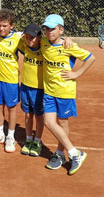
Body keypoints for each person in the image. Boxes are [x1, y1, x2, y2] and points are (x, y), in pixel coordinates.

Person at [41, 14, 95, 175]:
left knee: (62, 123)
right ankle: (74, 153)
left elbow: (90, 58)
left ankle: (60, 153)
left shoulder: (68, 46)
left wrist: (77, 73)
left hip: (65, 91)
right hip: (49, 91)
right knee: (49, 122)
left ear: (61, 30)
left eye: (53, 28)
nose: (49, 31)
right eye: (47, 28)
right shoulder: (43, 42)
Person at [0, 8, 21, 153]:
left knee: (11, 108)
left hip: (11, 80)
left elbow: (37, 41)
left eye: (5, 26)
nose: (1, 28)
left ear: (12, 26)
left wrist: (65, 39)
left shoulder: (18, 39)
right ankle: (0, 134)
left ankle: (10, 136)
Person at [17, 23, 44, 157]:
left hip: (39, 89)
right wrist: (23, 37)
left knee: (39, 116)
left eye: (32, 38)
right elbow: (16, 38)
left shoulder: (45, 48)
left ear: (39, 37)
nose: (29, 40)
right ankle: (28, 139)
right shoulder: (25, 46)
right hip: (25, 86)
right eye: (27, 37)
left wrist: (67, 39)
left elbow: (60, 42)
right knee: (28, 115)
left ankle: (37, 141)